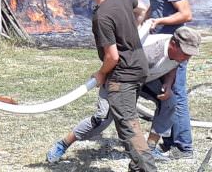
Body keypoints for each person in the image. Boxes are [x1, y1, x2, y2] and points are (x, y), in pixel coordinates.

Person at [51, 0, 156, 170]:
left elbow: (112, 56)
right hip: (138, 67)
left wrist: (100, 74)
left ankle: (147, 169)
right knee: (120, 120)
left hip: (123, 75)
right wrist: (136, 26)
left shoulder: (102, 16)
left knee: (128, 128)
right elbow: (142, 8)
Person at [46, 26, 202, 163]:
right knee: (102, 119)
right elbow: (118, 68)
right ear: (173, 44)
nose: (187, 58)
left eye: (190, 54)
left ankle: (150, 148)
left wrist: (167, 85)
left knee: (170, 102)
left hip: (144, 78)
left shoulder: (180, 54)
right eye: (186, 53)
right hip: (119, 78)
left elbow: (173, 66)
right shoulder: (148, 52)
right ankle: (63, 144)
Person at [140, 0, 194, 159]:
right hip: (160, 47)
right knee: (165, 95)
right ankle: (169, 141)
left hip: (175, 49)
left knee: (177, 95)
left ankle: (184, 147)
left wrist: (160, 20)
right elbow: (154, 4)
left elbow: (186, 14)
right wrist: (144, 19)